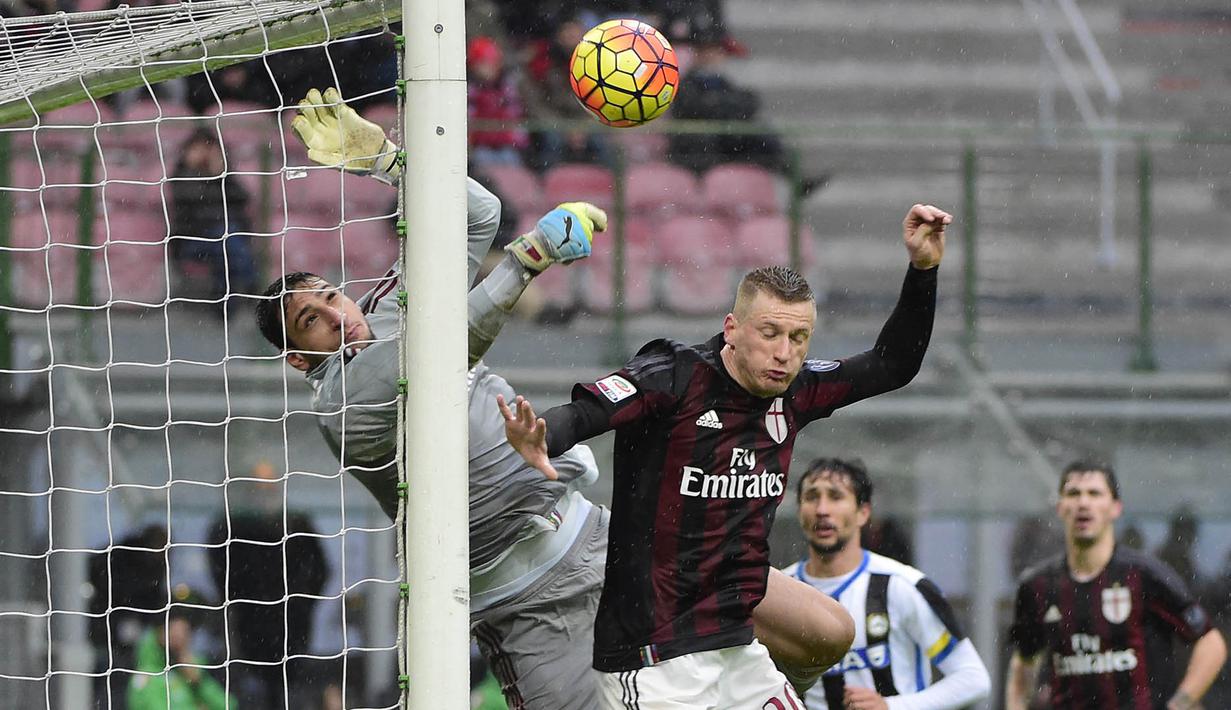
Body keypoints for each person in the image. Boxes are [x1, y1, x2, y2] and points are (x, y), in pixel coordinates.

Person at [258, 87, 861, 708]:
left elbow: (478, 214)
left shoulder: (389, 310)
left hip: (607, 544)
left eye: (330, 296)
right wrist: (530, 257)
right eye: (312, 321)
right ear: (298, 358)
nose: (337, 315)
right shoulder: (342, 404)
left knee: (824, 631)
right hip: (527, 607)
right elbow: (438, 352)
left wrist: (388, 163)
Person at [501, 201, 949, 708]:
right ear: (732, 328)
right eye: (770, 333)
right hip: (654, 661)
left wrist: (923, 270)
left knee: (831, 632)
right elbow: (590, 412)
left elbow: (893, 365)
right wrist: (545, 435)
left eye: (799, 338)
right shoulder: (674, 375)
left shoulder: (797, 391)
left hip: (738, 650)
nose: (784, 353)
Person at [1005, 461, 1227, 710]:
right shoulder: (1038, 586)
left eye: (1094, 493)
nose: (1083, 503)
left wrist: (1180, 704)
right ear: (1060, 507)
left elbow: (1211, 642)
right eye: (1074, 494)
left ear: (1115, 508)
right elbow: (1024, 661)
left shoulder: (1145, 575)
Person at [781, 457, 990, 710]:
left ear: (863, 513)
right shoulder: (777, 593)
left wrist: (892, 706)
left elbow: (973, 679)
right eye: (812, 497)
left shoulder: (902, 585)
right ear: (799, 510)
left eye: (836, 497)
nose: (822, 509)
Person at [205, 461, 327, 709]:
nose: (265, 492)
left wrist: (302, 601)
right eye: (259, 486)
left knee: (285, 685)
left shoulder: (296, 523)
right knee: (257, 686)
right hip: (253, 621)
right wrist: (236, 600)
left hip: (288, 621)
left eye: (270, 485)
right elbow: (220, 566)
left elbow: (321, 570)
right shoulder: (234, 525)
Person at [169, 128, 258, 305]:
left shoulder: (224, 176)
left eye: (208, 148)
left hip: (223, 241)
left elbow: (242, 197)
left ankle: (225, 304)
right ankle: (251, 286)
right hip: (191, 240)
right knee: (228, 241)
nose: (204, 153)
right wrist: (209, 176)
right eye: (198, 148)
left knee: (225, 250)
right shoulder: (181, 176)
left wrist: (222, 175)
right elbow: (194, 200)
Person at [127, 605, 236, 710]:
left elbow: (229, 705)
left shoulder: (191, 671)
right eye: (175, 634)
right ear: (160, 633)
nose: (181, 641)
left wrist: (199, 682)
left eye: (185, 633)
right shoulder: (147, 677)